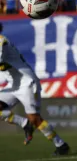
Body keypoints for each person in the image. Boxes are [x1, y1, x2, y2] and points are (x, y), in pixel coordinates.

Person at [0, 23, 70, 155]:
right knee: (29, 120)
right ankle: (24, 124)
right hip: (13, 84)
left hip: (27, 82)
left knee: (35, 119)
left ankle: (61, 145)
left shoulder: (1, 41)